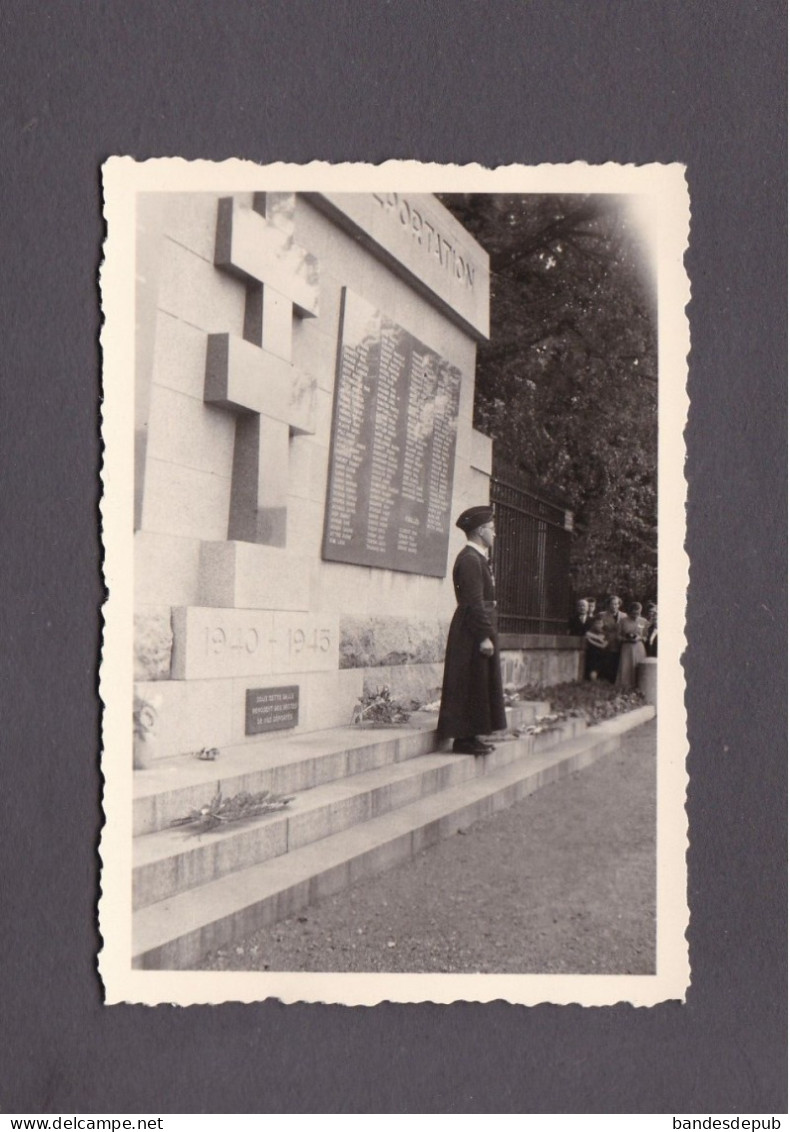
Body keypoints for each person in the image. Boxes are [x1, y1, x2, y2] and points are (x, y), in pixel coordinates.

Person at [437, 505, 507, 755]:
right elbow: (473, 602)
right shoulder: (469, 559)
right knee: (470, 682)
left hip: (476, 626)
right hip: (472, 630)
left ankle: (472, 735)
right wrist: (484, 636)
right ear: (480, 531)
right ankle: (463, 739)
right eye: (491, 529)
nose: (494, 534)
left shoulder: (476, 558)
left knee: (478, 682)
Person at [615, 602, 648, 689]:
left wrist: (639, 638)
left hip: (639, 647)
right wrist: (626, 639)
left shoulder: (644, 621)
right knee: (626, 667)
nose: (636, 615)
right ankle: (625, 687)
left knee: (639, 666)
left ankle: (639, 687)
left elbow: (646, 637)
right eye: (634, 613)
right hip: (627, 647)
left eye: (638, 613)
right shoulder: (622, 621)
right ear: (629, 612)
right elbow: (617, 636)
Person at [600, 594, 626, 682]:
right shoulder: (602, 615)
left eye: (616, 604)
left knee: (618, 666)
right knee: (607, 666)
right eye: (612, 604)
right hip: (607, 644)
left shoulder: (624, 616)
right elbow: (598, 629)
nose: (614, 606)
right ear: (608, 604)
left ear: (619, 605)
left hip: (620, 645)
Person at [584, 615, 608, 680]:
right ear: (593, 624)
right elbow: (587, 634)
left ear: (603, 624)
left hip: (601, 655)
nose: (598, 625)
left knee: (599, 671)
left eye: (600, 623)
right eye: (596, 623)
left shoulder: (605, 633)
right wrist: (597, 638)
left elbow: (603, 646)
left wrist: (590, 640)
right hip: (592, 654)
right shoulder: (590, 632)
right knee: (592, 671)